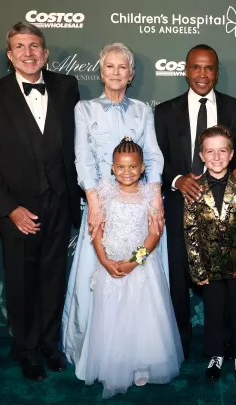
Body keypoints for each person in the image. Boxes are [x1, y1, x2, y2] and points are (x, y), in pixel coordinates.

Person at [0, 22, 81, 381]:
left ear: (45, 53)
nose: (29, 52)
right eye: (20, 46)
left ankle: (50, 344)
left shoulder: (67, 87)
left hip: (60, 202)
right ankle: (26, 350)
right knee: (21, 283)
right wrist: (9, 208)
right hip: (17, 208)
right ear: (10, 55)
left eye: (35, 45)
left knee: (53, 278)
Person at [61, 42, 165, 380]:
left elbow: (152, 155)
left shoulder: (142, 111)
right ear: (101, 71)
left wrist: (157, 196)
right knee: (98, 281)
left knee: (140, 284)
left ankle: (139, 357)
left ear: (131, 75)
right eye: (110, 67)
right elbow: (82, 157)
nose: (116, 73)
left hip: (138, 210)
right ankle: (97, 355)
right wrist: (95, 202)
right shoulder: (84, 109)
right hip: (101, 207)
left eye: (123, 68)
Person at [155, 44, 236, 359]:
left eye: (208, 68)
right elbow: (157, 159)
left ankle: (224, 345)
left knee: (224, 279)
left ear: (217, 72)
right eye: (195, 67)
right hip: (178, 204)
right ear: (185, 70)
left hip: (225, 209)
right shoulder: (165, 111)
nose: (202, 74)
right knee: (179, 276)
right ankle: (180, 342)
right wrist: (176, 180)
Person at [83, 137, 182, 398]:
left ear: (142, 168)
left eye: (132, 167)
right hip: (111, 263)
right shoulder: (104, 192)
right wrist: (105, 261)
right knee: (114, 315)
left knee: (142, 314)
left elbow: (154, 234)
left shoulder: (150, 194)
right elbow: (97, 230)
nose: (127, 172)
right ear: (113, 168)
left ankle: (141, 364)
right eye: (120, 167)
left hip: (141, 267)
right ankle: (115, 363)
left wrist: (133, 262)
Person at [183, 126, 236, 383]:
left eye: (222, 151)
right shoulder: (194, 189)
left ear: (232, 154)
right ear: (201, 155)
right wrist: (197, 268)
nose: (216, 157)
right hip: (209, 266)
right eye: (210, 151)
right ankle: (215, 354)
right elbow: (190, 230)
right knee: (214, 312)